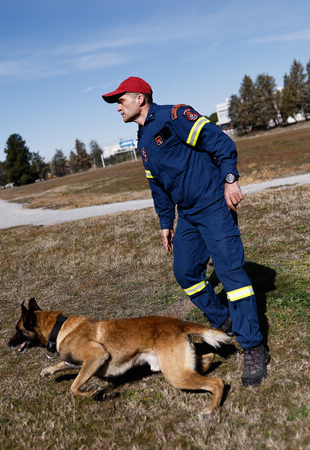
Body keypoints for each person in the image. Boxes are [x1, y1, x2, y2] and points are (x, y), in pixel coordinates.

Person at [102, 76, 269, 386]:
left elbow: (218, 141)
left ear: (140, 98)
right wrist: (166, 223)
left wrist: (230, 178)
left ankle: (253, 345)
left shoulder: (174, 115)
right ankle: (225, 320)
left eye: (120, 100)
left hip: (213, 204)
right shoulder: (143, 141)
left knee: (232, 275)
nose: (118, 107)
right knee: (185, 272)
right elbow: (158, 187)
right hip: (187, 216)